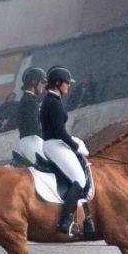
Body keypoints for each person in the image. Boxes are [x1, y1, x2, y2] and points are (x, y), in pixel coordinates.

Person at [40, 66, 90, 237]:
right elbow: (60, 132)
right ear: (58, 83)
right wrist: (75, 146)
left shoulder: (53, 99)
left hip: (56, 142)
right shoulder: (52, 102)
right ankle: (65, 221)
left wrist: (73, 141)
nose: (69, 85)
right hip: (54, 144)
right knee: (79, 179)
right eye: (67, 82)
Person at [13, 67, 47, 166]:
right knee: (53, 170)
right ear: (34, 82)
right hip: (32, 141)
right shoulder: (30, 101)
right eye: (42, 82)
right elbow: (33, 127)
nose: (44, 86)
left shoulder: (30, 99)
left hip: (31, 140)